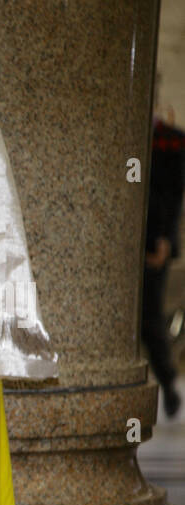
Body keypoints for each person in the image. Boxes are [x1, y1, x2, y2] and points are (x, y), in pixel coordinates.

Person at [144, 88, 184, 418]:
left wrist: (163, 239)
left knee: (150, 316)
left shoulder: (170, 141)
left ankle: (168, 386)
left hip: (154, 242)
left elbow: (172, 196)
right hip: (130, 240)